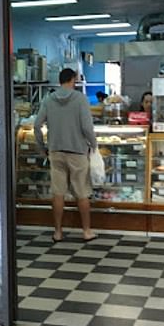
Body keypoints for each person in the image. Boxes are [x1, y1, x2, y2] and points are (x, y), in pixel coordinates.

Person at [34, 67, 98, 243]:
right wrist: (94, 144)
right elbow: (87, 127)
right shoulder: (80, 99)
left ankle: (58, 232)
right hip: (77, 152)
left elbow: (37, 125)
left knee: (58, 193)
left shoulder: (48, 99)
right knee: (82, 192)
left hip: (55, 152)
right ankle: (86, 231)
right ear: (73, 79)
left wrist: (42, 148)